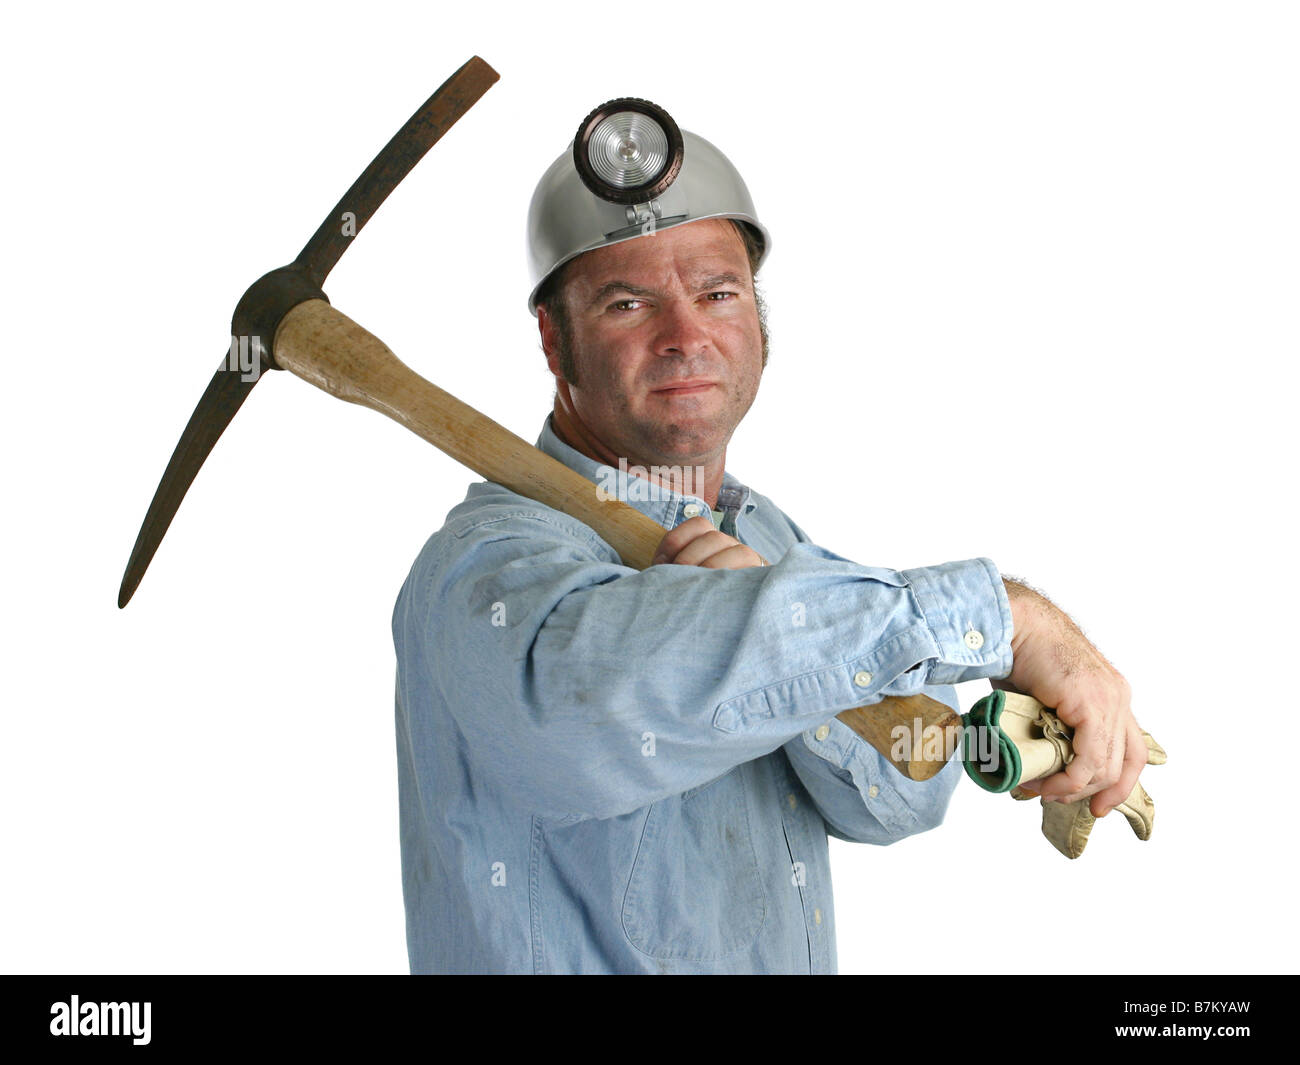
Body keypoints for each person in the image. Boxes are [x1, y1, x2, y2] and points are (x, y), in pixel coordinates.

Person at [391, 99, 1144, 974]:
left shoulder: (761, 535)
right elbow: (593, 709)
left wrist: (773, 633)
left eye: (717, 292)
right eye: (628, 304)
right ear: (556, 345)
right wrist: (1000, 616)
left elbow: (911, 784)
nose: (686, 336)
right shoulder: (483, 571)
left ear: (756, 316)